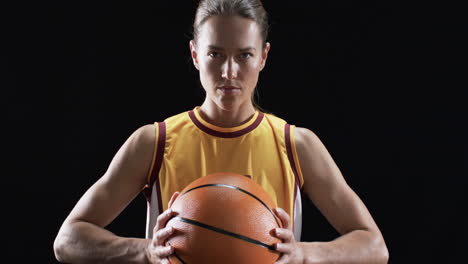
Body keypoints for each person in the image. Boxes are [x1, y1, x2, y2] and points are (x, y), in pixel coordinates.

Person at [54, 0, 389, 263]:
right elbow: (68, 240)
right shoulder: (155, 142)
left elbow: (374, 245)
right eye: (215, 54)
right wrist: (146, 250)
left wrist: (303, 254)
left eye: (244, 55)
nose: (229, 72)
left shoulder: (295, 144)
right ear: (195, 54)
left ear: (263, 57)